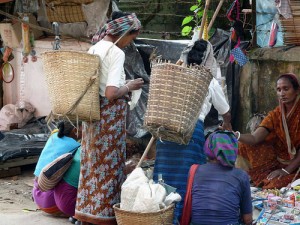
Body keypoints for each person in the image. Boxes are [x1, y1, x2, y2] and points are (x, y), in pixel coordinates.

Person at [74, 11, 143, 225]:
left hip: (93, 116)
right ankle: (104, 217)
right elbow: (111, 93)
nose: (131, 43)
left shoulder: (94, 48)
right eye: (132, 38)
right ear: (123, 33)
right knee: (109, 168)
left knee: (91, 164)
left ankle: (87, 212)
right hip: (108, 119)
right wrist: (130, 86)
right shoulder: (115, 52)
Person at [153, 38, 232, 223]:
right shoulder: (208, 80)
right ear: (209, 59)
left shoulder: (174, 75)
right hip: (191, 132)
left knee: (164, 177)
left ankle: (160, 216)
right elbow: (226, 112)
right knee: (188, 179)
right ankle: (183, 218)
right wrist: (227, 127)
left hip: (165, 131)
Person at [236, 73, 300, 189]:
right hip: (278, 160)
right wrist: (236, 135)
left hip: (297, 164)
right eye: (279, 90)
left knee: (274, 185)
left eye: (286, 89)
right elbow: (255, 138)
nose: (282, 93)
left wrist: (285, 171)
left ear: (297, 90)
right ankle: (245, 179)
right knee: (242, 145)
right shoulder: (276, 114)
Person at [182, 131, 252, 225]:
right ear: (233, 149)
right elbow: (248, 219)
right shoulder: (241, 175)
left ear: (208, 148)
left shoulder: (194, 171)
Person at [32, 121, 81, 217]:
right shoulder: (75, 146)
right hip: (50, 202)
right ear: (75, 131)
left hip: (37, 196)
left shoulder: (53, 137)